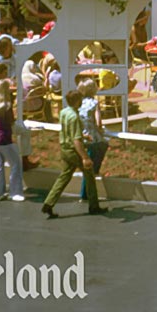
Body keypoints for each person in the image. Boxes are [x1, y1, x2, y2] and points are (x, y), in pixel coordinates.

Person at [41, 90, 104, 218]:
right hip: (73, 150)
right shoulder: (75, 117)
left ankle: (49, 202)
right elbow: (76, 141)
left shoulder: (64, 112)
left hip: (64, 148)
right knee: (89, 175)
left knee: (64, 176)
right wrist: (85, 157)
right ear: (76, 101)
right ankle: (94, 205)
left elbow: (68, 130)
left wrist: (82, 134)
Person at [0, 80, 25, 202]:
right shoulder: (6, 105)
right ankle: (15, 192)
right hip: (4, 138)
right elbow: (11, 123)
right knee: (15, 164)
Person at [78, 80, 107, 202]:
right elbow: (98, 122)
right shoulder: (94, 103)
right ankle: (85, 193)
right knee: (104, 145)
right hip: (93, 137)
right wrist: (100, 131)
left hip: (82, 135)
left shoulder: (79, 103)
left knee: (88, 163)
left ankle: (86, 191)